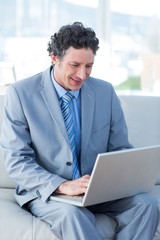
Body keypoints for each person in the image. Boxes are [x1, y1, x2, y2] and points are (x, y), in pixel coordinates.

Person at [0, 22, 159, 240]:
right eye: (74, 65)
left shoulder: (105, 92)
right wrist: (63, 186)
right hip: (49, 192)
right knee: (72, 214)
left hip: (97, 190)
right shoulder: (20, 94)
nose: (82, 75)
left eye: (89, 66)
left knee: (146, 204)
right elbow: (17, 161)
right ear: (54, 57)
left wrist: (115, 178)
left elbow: (120, 148)